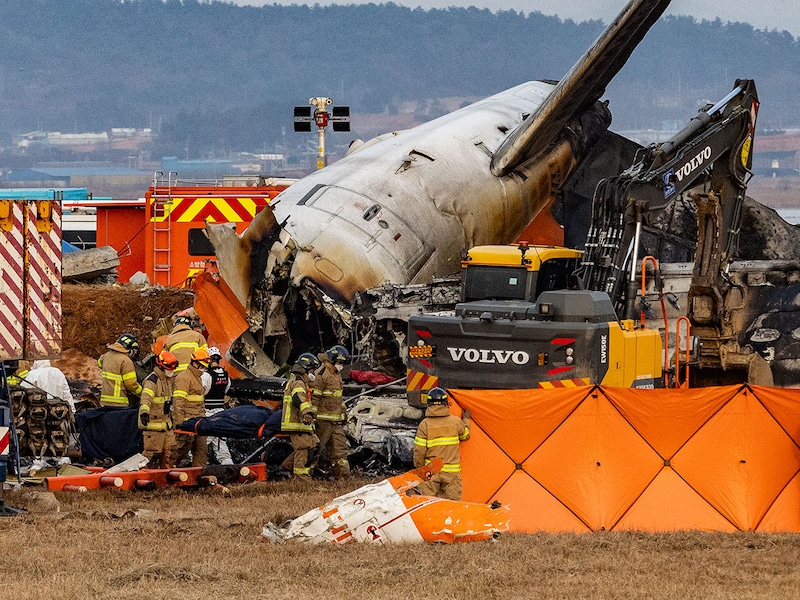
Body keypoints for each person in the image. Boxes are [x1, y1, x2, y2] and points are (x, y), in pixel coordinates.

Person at [413, 387, 471, 501]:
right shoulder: (456, 422)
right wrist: (466, 420)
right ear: (446, 403)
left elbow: (419, 451)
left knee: (427, 504)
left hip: (431, 471)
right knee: (453, 506)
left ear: (428, 404)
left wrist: (421, 470)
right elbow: (466, 436)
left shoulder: (424, 425)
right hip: (451, 472)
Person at [311, 344, 351, 479]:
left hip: (336, 422)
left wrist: (343, 412)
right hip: (323, 422)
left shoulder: (336, 374)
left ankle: (343, 478)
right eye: (340, 362)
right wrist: (313, 418)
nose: (342, 365)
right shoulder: (321, 374)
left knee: (340, 451)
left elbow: (338, 397)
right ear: (333, 360)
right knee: (315, 450)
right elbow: (314, 398)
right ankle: (303, 477)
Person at [281, 353, 321, 479]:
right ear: (306, 369)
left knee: (315, 444)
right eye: (312, 370)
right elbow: (297, 398)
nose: (313, 373)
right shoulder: (298, 382)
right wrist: (307, 413)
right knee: (303, 449)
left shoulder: (303, 381)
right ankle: (300, 479)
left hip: (302, 422)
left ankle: (286, 467)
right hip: (295, 422)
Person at [138, 350, 179, 469]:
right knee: (151, 456)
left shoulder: (167, 380)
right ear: (161, 367)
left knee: (171, 453)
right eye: (169, 369)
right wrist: (144, 412)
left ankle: (168, 479)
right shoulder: (152, 381)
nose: (171, 372)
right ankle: (143, 478)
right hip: (153, 427)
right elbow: (145, 398)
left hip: (166, 426)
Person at [172, 348, 211, 467]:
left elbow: (199, 401)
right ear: (195, 363)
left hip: (199, 420)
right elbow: (178, 402)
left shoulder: (197, 377)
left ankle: (199, 474)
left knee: (201, 450)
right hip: (187, 422)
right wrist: (179, 422)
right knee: (180, 449)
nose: (203, 370)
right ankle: (167, 470)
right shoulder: (184, 377)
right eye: (201, 366)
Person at [201, 346, 233, 465]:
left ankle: (198, 463)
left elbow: (202, 391)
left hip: (208, 411)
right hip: (220, 411)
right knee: (220, 441)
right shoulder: (226, 375)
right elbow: (226, 390)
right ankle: (228, 464)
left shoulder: (206, 376)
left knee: (204, 440)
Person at [97, 333, 143, 408]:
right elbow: (130, 384)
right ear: (130, 349)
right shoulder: (126, 361)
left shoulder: (106, 356)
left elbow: (99, 363)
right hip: (119, 402)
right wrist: (142, 392)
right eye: (134, 350)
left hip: (105, 400)